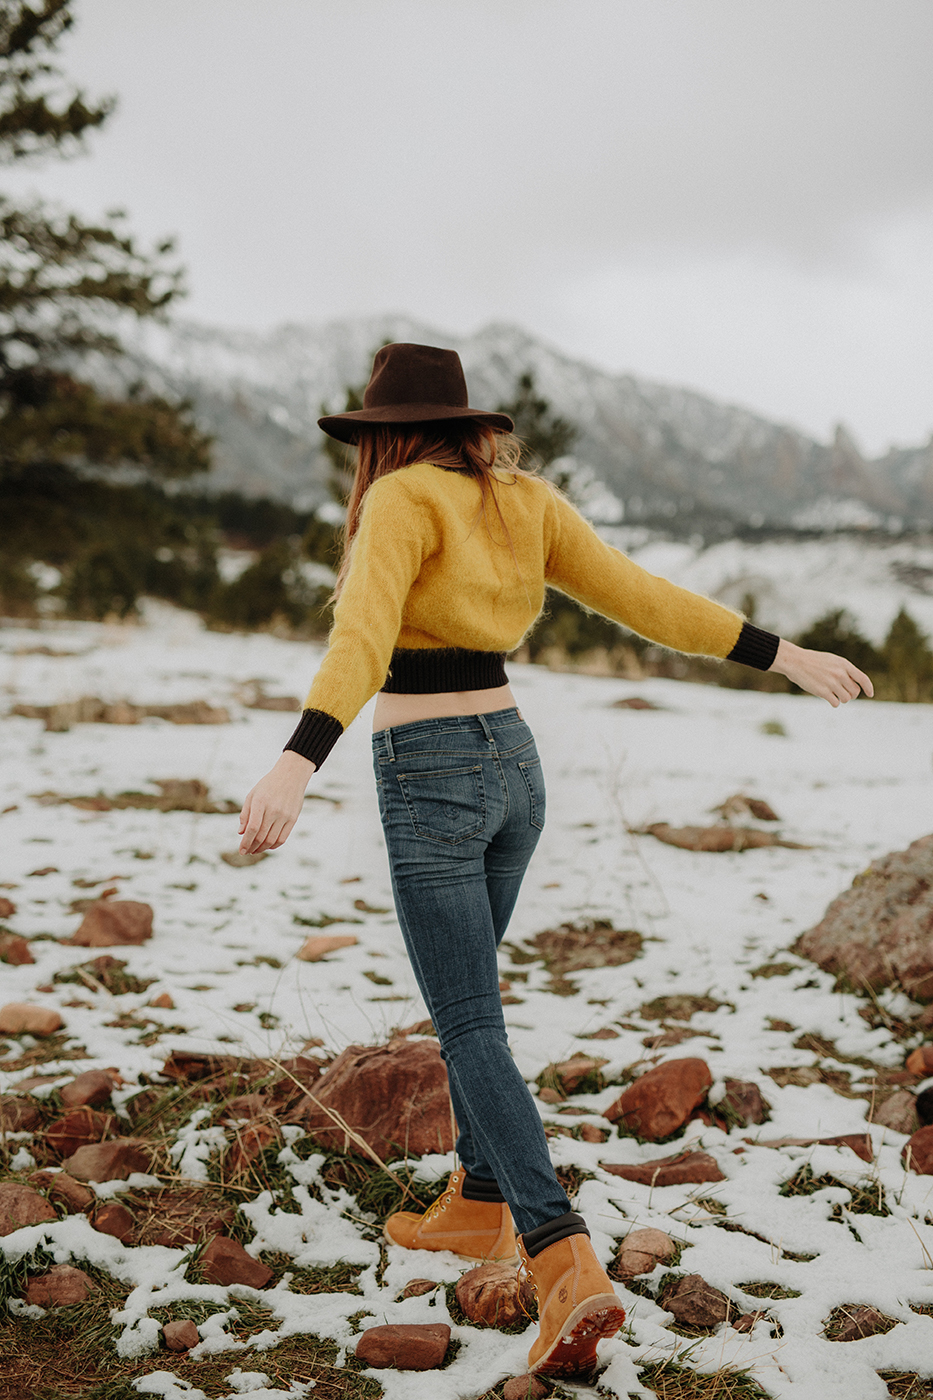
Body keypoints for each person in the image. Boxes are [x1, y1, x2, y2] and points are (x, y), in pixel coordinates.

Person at [238, 342, 873, 1379]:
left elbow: (359, 638)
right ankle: (477, 1197)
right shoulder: (520, 498)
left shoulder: (399, 500)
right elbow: (641, 595)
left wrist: (294, 763)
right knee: (474, 997)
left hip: (432, 771)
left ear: (385, 436)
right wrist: (783, 654)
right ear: (467, 423)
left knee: (467, 1016)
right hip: (514, 768)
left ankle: (559, 1253)